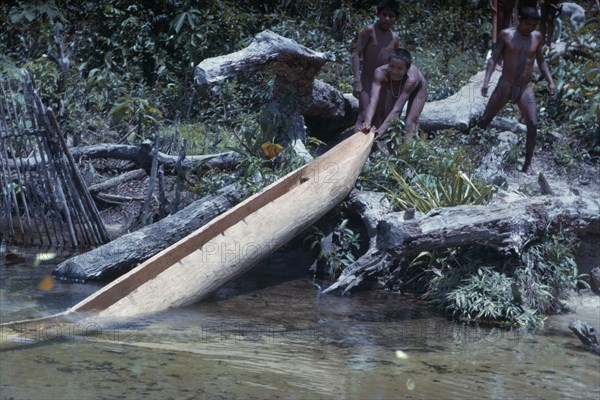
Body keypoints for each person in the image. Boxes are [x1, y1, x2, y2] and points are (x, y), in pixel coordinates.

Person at [477, 7, 556, 175]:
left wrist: (550, 82)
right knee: (485, 119)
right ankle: (473, 151)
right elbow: (494, 58)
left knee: (533, 124)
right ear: (519, 20)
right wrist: (486, 81)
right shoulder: (506, 35)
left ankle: (527, 164)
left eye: (534, 25)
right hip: (506, 83)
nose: (531, 28)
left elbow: (541, 62)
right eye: (528, 24)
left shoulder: (536, 37)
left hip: (525, 87)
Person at [360, 48, 427, 146]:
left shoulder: (411, 79)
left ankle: (406, 152)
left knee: (409, 122)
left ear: (407, 69)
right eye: (391, 66)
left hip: (418, 89)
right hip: (395, 86)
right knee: (388, 117)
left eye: (399, 68)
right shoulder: (379, 73)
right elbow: (373, 99)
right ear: (388, 63)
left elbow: (397, 109)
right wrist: (367, 122)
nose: (394, 71)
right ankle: (391, 152)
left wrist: (381, 131)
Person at [351, 0, 400, 132]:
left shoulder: (394, 38)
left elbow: (396, 64)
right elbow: (356, 54)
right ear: (378, 14)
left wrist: (395, 86)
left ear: (396, 19)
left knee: (379, 116)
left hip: (383, 83)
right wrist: (357, 81)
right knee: (363, 116)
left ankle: (373, 146)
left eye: (391, 16)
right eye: (384, 15)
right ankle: (355, 149)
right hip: (367, 81)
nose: (387, 19)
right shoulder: (370, 31)